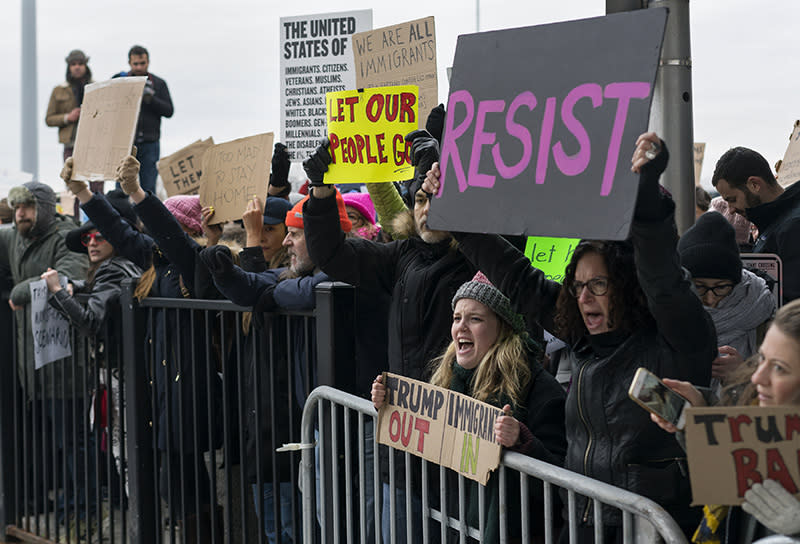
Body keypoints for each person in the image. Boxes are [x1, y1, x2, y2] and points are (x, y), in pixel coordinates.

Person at [423, 132, 716, 541]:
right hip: (582, 523)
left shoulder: (676, 338)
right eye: (576, 286)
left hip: (655, 529)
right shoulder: (581, 337)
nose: (583, 298)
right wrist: (452, 213)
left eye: (598, 284)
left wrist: (647, 196)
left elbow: (663, 278)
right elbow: (518, 278)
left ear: (627, 286)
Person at [301, 134, 477, 543]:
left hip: (463, 443)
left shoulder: (476, 254)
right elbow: (331, 254)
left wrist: (438, 168)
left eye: (435, 199)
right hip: (404, 449)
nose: (426, 210)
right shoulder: (399, 257)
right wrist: (322, 194)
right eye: (419, 201)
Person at [61, 154, 223, 543]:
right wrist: (83, 192)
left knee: (176, 478)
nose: (149, 235)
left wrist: (136, 192)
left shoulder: (195, 261)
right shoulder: (162, 261)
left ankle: (203, 534)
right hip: (166, 382)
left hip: (190, 385)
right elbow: (120, 232)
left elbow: (168, 235)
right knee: (182, 479)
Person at [371, 272, 567, 543]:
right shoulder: (446, 382)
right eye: (457, 318)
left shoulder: (540, 390)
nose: (461, 328)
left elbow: (560, 487)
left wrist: (523, 442)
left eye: (475, 319)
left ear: (503, 327)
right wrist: (391, 407)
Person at [652, 299, 800, 543]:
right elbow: (730, 480)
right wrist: (702, 418)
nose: (758, 376)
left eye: (780, 368)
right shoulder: (753, 417)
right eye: (762, 358)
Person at [678, 211, 776, 389]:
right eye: (699, 287)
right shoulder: (669, 313)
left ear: (736, 283)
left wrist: (745, 372)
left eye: (721, 287)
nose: (710, 299)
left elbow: (781, 382)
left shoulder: (759, 308)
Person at [712, 147, 800, 303]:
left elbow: (791, 303)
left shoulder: (793, 227)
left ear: (754, 184)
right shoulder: (775, 222)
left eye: (732, 199)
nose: (731, 210)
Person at [114, 45, 174, 194]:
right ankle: (122, 217)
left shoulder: (158, 84)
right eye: (136, 64)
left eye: (143, 63)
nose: (139, 67)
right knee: (121, 188)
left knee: (148, 188)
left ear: (148, 62)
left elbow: (169, 111)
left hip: (150, 143)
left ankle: (147, 217)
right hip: (124, 143)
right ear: (129, 63)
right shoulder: (119, 80)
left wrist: (151, 98)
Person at [45, 49, 93, 162]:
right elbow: (49, 119)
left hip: (94, 143)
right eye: (73, 64)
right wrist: (67, 117)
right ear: (69, 67)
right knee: (71, 178)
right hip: (71, 144)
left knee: (96, 179)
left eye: (80, 64)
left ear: (86, 66)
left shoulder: (98, 87)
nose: (77, 67)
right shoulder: (59, 90)